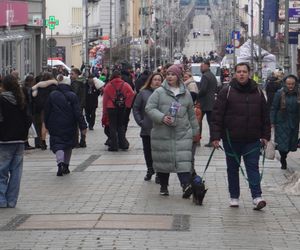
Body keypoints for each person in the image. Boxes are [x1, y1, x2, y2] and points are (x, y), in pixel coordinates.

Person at [211, 63, 270, 210]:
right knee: (232, 169)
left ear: (249, 73)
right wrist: (215, 137)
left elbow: (265, 116)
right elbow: (217, 115)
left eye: (244, 72)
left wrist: (265, 135)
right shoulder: (227, 91)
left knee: (253, 168)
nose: (241, 74)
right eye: (239, 72)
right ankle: (234, 196)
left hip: (252, 139)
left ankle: (257, 197)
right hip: (232, 138)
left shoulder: (257, 91)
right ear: (234, 74)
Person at [145, 65, 199, 197]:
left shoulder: (186, 93)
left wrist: (195, 132)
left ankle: (185, 185)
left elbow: (191, 114)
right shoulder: (159, 92)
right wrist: (162, 117)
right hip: (163, 133)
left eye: (173, 74)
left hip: (182, 132)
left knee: (183, 160)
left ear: (178, 76)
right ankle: (164, 186)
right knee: (164, 160)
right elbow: (149, 108)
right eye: (168, 74)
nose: (170, 77)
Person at [44, 75, 87, 176]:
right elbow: (78, 112)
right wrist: (83, 125)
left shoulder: (52, 95)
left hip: (54, 124)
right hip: (70, 123)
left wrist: (46, 123)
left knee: (58, 144)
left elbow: (47, 111)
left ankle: (60, 164)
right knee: (68, 145)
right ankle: (66, 166)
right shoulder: (72, 95)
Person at [0, 75, 31, 208]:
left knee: (1, 171)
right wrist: (23, 134)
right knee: (16, 172)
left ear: (4, 85)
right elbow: (28, 119)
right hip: (19, 140)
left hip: (4, 140)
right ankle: (12, 200)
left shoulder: (1, 99)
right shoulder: (21, 99)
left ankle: (1, 200)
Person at [133, 73, 163, 183]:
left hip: (161, 128)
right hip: (147, 128)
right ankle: (150, 169)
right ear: (150, 81)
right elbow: (136, 108)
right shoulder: (143, 93)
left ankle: (160, 173)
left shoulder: (165, 93)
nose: (157, 82)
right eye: (155, 79)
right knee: (148, 151)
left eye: (159, 80)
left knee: (159, 152)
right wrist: (141, 122)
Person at [270, 75, 300, 170]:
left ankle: (285, 156)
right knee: (282, 144)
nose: (290, 86)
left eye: (292, 84)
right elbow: (274, 108)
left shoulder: (298, 94)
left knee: (291, 143)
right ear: (285, 84)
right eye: (288, 84)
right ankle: (283, 159)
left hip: (294, 121)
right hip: (282, 122)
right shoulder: (279, 93)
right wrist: (272, 121)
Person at [102, 70, 135, 151]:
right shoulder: (125, 84)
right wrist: (127, 104)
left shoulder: (108, 85)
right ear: (120, 76)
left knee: (112, 126)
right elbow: (132, 94)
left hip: (111, 108)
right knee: (121, 125)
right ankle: (123, 144)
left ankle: (114, 145)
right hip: (121, 107)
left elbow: (105, 100)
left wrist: (104, 111)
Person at [32, 72, 58, 150]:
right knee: (53, 124)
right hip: (52, 107)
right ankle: (53, 142)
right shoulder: (54, 86)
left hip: (42, 108)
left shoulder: (39, 86)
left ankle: (43, 143)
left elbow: (34, 97)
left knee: (44, 124)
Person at [198, 60, 217, 147]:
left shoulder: (205, 76)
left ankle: (197, 140)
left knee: (198, 121)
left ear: (208, 66)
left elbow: (203, 90)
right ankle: (212, 140)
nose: (201, 67)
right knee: (211, 123)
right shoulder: (212, 75)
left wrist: (197, 96)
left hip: (204, 103)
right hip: (211, 102)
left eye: (202, 66)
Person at [70, 68, 86, 147]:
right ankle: (83, 140)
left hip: (75, 106)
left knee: (75, 124)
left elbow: (74, 95)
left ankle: (76, 142)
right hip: (80, 105)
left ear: (76, 74)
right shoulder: (82, 82)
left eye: (72, 74)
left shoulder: (75, 83)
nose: (70, 75)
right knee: (82, 123)